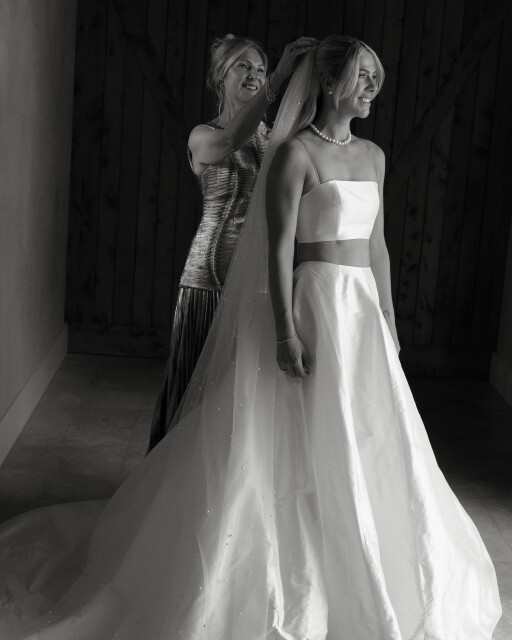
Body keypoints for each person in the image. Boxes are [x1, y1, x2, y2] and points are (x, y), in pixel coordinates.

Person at [0, 36, 502, 640]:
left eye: (376, 75)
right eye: (362, 74)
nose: (373, 85)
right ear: (329, 83)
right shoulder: (291, 153)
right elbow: (280, 248)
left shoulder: (373, 156)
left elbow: (379, 245)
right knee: (286, 429)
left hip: (363, 312)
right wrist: (286, 331)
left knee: (369, 429)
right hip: (314, 303)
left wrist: (390, 318)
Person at [148, 33, 316, 451]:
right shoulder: (203, 135)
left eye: (260, 69)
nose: (254, 75)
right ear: (220, 77)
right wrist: (278, 78)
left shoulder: (277, 139)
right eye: (244, 66)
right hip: (209, 281)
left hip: (257, 283)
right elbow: (230, 142)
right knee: (194, 392)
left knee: (241, 398)